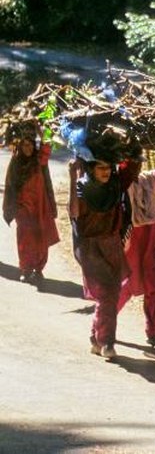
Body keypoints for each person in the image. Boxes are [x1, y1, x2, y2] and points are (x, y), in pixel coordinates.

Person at [69, 156, 136, 360]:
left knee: (111, 293)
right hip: (91, 249)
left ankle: (94, 337)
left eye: (108, 167)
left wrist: (131, 146)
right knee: (107, 293)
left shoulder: (114, 187)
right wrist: (72, 177)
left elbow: (131, 168)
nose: (105, 171)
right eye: (100, 168)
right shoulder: (82, 188)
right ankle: (107, 341)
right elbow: (74, 212)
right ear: (91, 169)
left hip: (112, 246)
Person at [117, 151, 155, 348]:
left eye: (138, 163)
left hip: (150, 239)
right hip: (130, 240)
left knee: (154, 285)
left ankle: (153, 332)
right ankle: (101, 328)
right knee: (125, 286)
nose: (137, 167)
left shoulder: (149, 179)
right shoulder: (117, 184)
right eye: (132, 163)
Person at [3, 130, 59, 283]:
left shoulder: (39, 161)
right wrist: (12, 209)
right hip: (24, 209)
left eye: (30, 145)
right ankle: (25, 269)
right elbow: (10, 186)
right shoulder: (16, 163)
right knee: (25, 240)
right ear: (20, 147)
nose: (28, 148)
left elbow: (47, 146)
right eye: (24, 145)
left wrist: (43, 131)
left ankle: (39, 269)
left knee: (41, 239)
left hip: (41, 207)